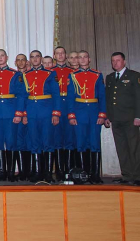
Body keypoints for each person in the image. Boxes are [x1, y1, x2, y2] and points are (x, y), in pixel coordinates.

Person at [67, 50, 107, 183]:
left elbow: (102, 96)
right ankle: (83, 174)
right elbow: (70, 97)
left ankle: (95, 174)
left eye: (85, 57)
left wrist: (102, 114)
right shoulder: (72, 76)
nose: (83, 59)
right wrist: (71, 115)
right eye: (80, 57)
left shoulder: (97, 75)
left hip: (94, 111)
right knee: (81, 143)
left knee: (95, 143)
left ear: (89, 59)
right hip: (79, 112)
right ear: (77, 60)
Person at [22, 50, 61, 182]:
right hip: (31, 110)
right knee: (34, 141)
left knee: (48, 141)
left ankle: (48, 173)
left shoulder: (50, 74)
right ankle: (38, 172)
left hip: (46, 110)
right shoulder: (26, 75)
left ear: (41, 58)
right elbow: (24, 96)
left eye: (37, 56)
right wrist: (24, 113)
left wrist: (56, 113)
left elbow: (56, 94)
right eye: (32, 57)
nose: (35, 59)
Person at [0, 49, 25, 181]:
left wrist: (18, 113)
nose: (0, 58)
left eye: (2, 55)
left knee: (11, 141)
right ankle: (1, 171)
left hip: (10, 111)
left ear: (7, 57)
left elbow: (21, 95)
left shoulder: (16, 74)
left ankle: (11, 172)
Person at [106, 52, 140, 185]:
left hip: (130, 118)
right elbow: (109, 99)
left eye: (118, 60)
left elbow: (138, 97)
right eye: (113, 61)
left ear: (124, 61)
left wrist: (138, 116)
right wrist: (108, 116)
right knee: (121, 148)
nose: (115, 63)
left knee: (134, 147)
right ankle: (126, 175)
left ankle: (137, 176)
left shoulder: (134, 76)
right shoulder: (110, 77)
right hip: (116, 119)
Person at [52, 46, 76, 179]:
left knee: (70, 138)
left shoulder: (73, 72)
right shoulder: (50, 72)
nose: (60, 55)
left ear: (66, 56)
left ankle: (69, 170)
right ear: (54, 56)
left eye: (62, 53)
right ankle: (59, 171)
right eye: (58, 53)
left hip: (69, 105)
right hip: (55, 106)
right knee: (57, 138)